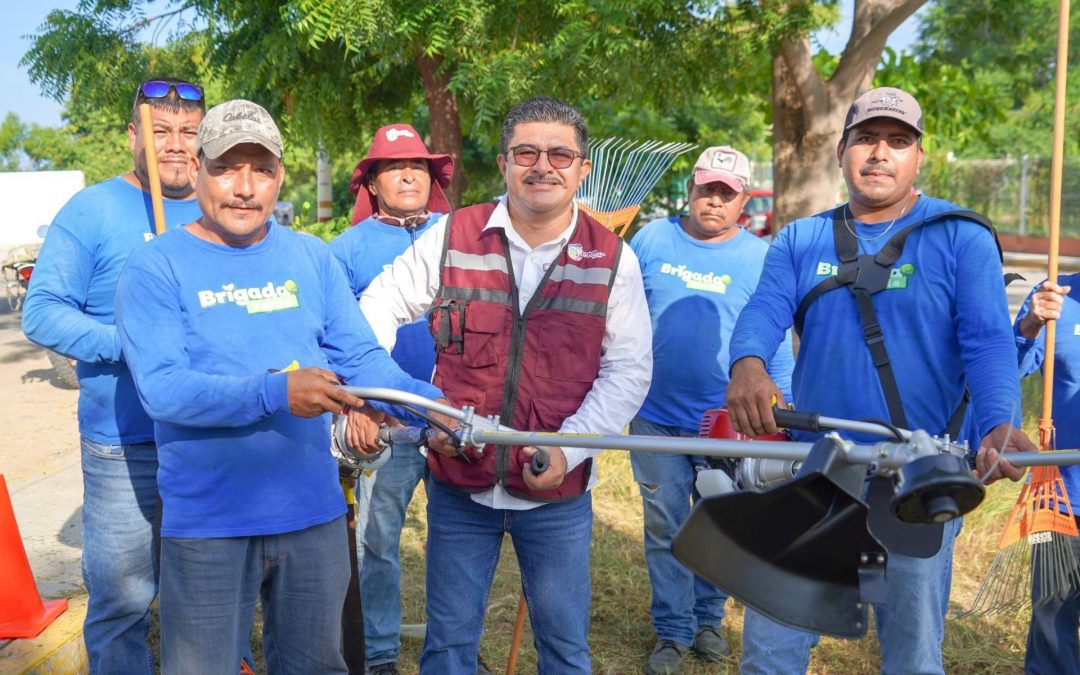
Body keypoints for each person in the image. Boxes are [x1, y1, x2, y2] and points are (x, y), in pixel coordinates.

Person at [113, 99, 448, 674]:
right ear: (197, 169)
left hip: (312, 516)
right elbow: (163, 390)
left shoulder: (310, 258)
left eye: (261, 169)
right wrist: (276, 393)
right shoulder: (155, 267)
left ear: (279, 177)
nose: (244, 187)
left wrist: (434, 409)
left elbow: (361, 354)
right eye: (226, 168)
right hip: (209, 524)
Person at [725, 86, 1036, 674]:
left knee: (913, 652)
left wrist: (998, 421)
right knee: (771, 650)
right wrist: (748, 363)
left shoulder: (961, 236)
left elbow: (988, 341)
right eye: (865, 138)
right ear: (842, 151)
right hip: (815, 468)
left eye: (898, 141)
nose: (879, 153)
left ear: (919, 156)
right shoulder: (800, 238)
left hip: (919, 473)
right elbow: (764, 310)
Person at [358, 96, 652, 674]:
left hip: (557, 495)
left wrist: (570, 448)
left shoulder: (613, 257)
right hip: (460, 484)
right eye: (526, 152)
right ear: (503, 163)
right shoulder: (452, 236)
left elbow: (629, 369)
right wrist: (419, 410)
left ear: (583, 169)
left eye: (560, 154)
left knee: (565, 649)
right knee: (448, 648)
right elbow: (375, 309)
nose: (543, 166)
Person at [21, 77, 205, 673]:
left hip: (211, 439)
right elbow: (43, 311)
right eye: (160, 133)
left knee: (205, 598)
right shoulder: (93, 209)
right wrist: (130, 344)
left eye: (190, 133)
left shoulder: (222, 207)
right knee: (122, 601)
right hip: (125, 442)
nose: (176, 145)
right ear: (133, 137)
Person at [628, 145, 795, 675]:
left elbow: (777, 342)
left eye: (727, 193)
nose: (715, 201)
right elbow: (619, 314)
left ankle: (708, 619)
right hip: (655, 415)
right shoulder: (651, 239)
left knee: (721, 522)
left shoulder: (761, 255)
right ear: (692, 188)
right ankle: (673, 631)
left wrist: (782, 410)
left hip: (729, 425)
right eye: (707, 189)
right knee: (665, 525)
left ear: (743, 199)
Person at [328, 123, 453, 675]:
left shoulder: (463, 236)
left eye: (419, 167)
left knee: (458, 542)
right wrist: (357, 407)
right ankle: (378, 652)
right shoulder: (345, 251)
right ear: (372, 183)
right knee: (379, 541)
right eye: (393, 167)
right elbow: (332, 337)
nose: (408, 175)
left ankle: (451, 648)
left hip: (456, 418)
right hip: (384, 422)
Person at [1014, 275, 1080, 674]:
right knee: (1051, 619)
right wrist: (1030, 325)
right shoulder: (1054, 297)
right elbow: (1007, 368)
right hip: (1059, 494)